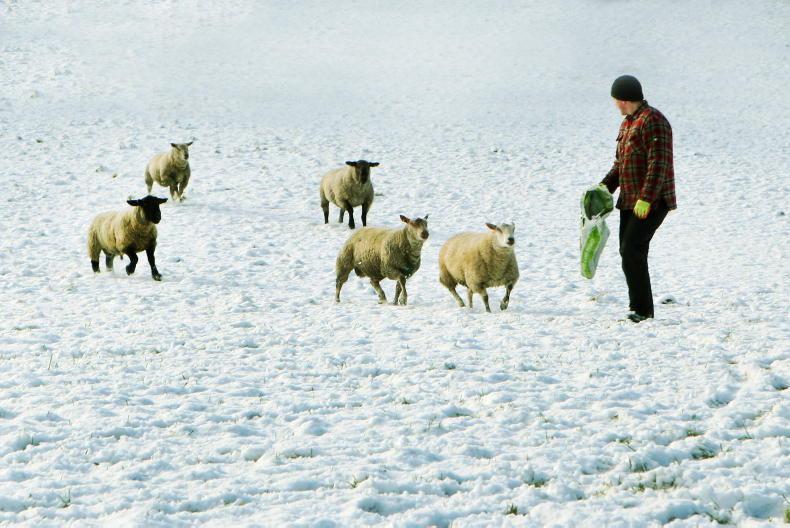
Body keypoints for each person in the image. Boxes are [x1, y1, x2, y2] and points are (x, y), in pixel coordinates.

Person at [601, 75, 676, 323]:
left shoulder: (654, 121)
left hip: (652, 201)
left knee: (632, 249)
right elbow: (620, 165)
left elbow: (659, 163)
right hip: (630, 200)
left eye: (615, 100)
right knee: (629, 252)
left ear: (623, 99)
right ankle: (640, 308)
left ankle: (642, 310)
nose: (615, 105)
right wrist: (603, 187)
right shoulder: (628, 124)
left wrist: (647, 198)